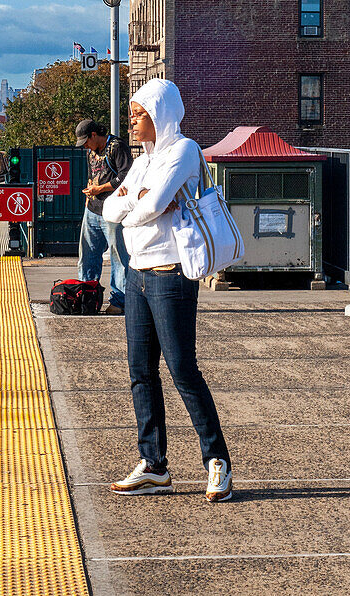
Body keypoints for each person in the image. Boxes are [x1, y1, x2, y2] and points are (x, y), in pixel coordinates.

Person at [102, 78, 233, 503]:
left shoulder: (184, 151)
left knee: (182, 370)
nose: (133, 121)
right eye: (133, 114)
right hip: (137, 277)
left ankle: (218, 461)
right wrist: (135, 200)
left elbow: (152, 205)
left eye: (140, 114)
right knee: (140, 372)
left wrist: (135, 204)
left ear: (161, 114)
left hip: (171, 276)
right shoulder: (141, 161)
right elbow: (110, 206)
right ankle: (154, 465)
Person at [76, 119, 132, 315]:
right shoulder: (90, 151)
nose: (85, 146)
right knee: (87, 254)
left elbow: (126, 176)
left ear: (94, 135)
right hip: (92, 208)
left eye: (86, 141)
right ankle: (86, 295)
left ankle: (119, 301)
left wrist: (99, 188)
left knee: (118, 256)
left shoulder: (117, 147)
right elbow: (92, 173)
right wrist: (90, 192)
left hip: (113, 209)